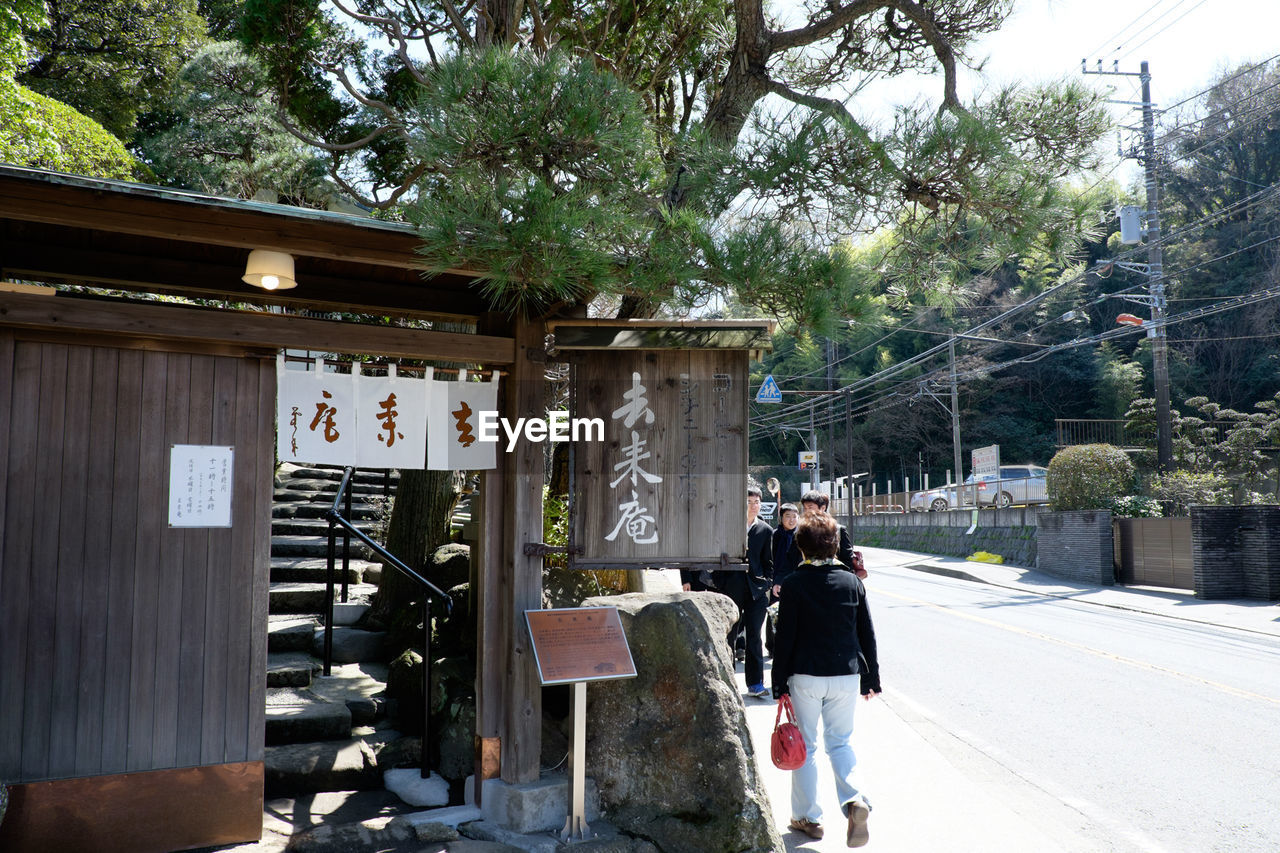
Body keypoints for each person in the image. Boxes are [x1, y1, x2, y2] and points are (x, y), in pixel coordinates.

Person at [771, 511, 881, 848]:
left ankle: (808, 817)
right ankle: (855, 800)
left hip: (806, 675)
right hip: (846, 675)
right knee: (841, 742)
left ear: (801, 548)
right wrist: (871, 679)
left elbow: (785, 638)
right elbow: (867, 633)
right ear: (835, 546)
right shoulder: (852, 582)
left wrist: (779, 683)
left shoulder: (793, 585)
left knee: (807, 746)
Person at [716, 486, 773, 698]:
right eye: (749, 502)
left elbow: (769, 561)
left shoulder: (766, 530)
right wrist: (720, 582)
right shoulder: (729, 528)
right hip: (732, 587)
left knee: (755, 638)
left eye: (757, 502)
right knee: (729, 635)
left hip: (756, 590)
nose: (753, 506)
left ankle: (756, 683)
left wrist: (767, 582)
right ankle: (727, 681)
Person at [795, 490, 866, 579]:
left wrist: (845, 579)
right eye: (805, 508)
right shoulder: (801, 530)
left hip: (834, 578)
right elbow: (792, 559)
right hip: (806, 578)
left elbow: (847, 560)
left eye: (810, 507)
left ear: (823, 508)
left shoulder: (838, 530)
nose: (807, 511)